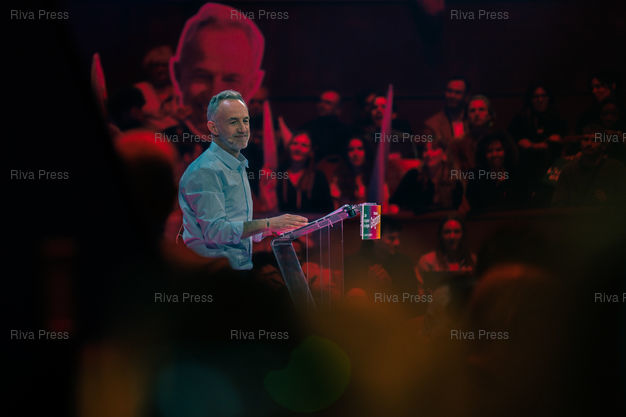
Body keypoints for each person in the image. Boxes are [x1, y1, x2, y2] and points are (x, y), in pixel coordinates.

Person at [178, 90, 308, 270]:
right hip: (211, 270)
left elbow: (237, 223)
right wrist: (268, 224)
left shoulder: (235, 167)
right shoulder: (205, 172)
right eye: (233, 122)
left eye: (245, 121)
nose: (242, 129)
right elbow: (216, 232)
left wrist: (270, 229)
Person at [163, 3, 265, 167]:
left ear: (252, 84)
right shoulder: (162, 148)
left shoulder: (254, 157)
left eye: (230, 79)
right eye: (202, 76)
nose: (215, 93)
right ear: (177, 74)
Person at [508, 83, 567, 202]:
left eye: (543, 96)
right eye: (536, 97)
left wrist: (537, 145)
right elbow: (513, 142)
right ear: (530, 99)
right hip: (526, 170)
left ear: (549, 98)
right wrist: (535, 146)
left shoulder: (558, 118)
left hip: (552, 169)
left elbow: (563, 141)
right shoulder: (520, 119)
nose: (540, 100)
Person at [345, 218, 421, 302]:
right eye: (391, 238)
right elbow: (349, 299)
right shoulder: (353, 263)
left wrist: (389, 285)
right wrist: (369, 283)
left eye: (398, 238)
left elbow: (412, 298)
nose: (397, 243)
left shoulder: (404, 263)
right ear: (375, 238)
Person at [552, 131, 626, 207]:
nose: (589, 144)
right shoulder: (569, 170)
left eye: (595, 140)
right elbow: (559, 202)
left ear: (603, 145)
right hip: (574, 213)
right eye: (586, 139)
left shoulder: (615, 168)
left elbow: (622, 199)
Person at [391, 141, 463, 213]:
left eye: (434, 149)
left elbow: (454, 210)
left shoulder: (454, 182)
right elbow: (394, 202)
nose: (428, 153)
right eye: (425, 150)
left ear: (444, 155)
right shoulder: (413, 176)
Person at [275, 131, 334, 213]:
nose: (298, 148)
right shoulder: (279, 175)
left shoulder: (318, 177)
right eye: (295, 143)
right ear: (289, 147)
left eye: (304, 145)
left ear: (310, 151)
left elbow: (328, 209)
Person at [467, 132, 525, 211]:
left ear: (506, 151)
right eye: (489, 151)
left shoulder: (516, 173)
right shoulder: (476, 177)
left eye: (499, 150)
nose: (494, 154)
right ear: (483, 154)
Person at [134, 45, 178, 130]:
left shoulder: (180, 89)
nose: (160, 70)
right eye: (155, 66)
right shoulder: (140, 89)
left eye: (164, 65)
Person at [299, 90, 351, 163]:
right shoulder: (308, 128)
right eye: (320, 101)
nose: (322, 105)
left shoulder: (345, 131)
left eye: (328, 103)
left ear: (338, 109)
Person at [424, 76, 470, 150]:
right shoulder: (432, 125)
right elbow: (430, 152)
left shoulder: (473, 119)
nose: (452, 96)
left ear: (466, 96)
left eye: (457, 92)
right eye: (449, 91)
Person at [329, 136, 374, 208]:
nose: (355, 154)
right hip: (347, 215)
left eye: (360, 149)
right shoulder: (338, 178)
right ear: (346, 154)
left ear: (366, 152)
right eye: (351, 150)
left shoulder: (375, 176)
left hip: (372, 215)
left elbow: (383, 206)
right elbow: (336, 209)